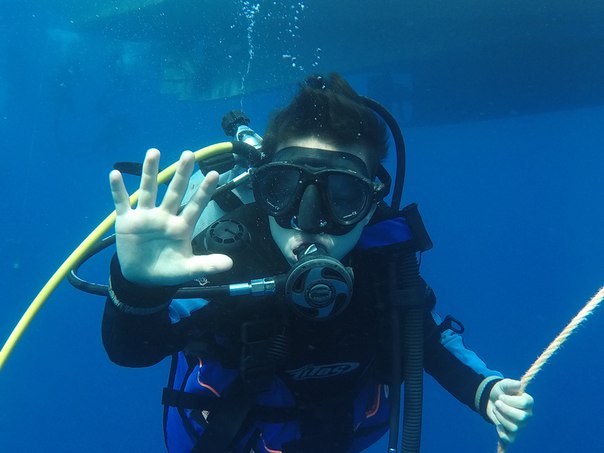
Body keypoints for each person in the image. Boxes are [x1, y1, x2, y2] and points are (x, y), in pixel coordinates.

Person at [103, 73, 533, 452]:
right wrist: (137, 286)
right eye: (284, 188)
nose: (307, 222)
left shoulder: (382, 263)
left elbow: (427, 338)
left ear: (370, 206)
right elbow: (132, 351)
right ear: (262, 191)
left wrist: (485, 390)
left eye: (342, 197)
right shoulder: (228, 260)